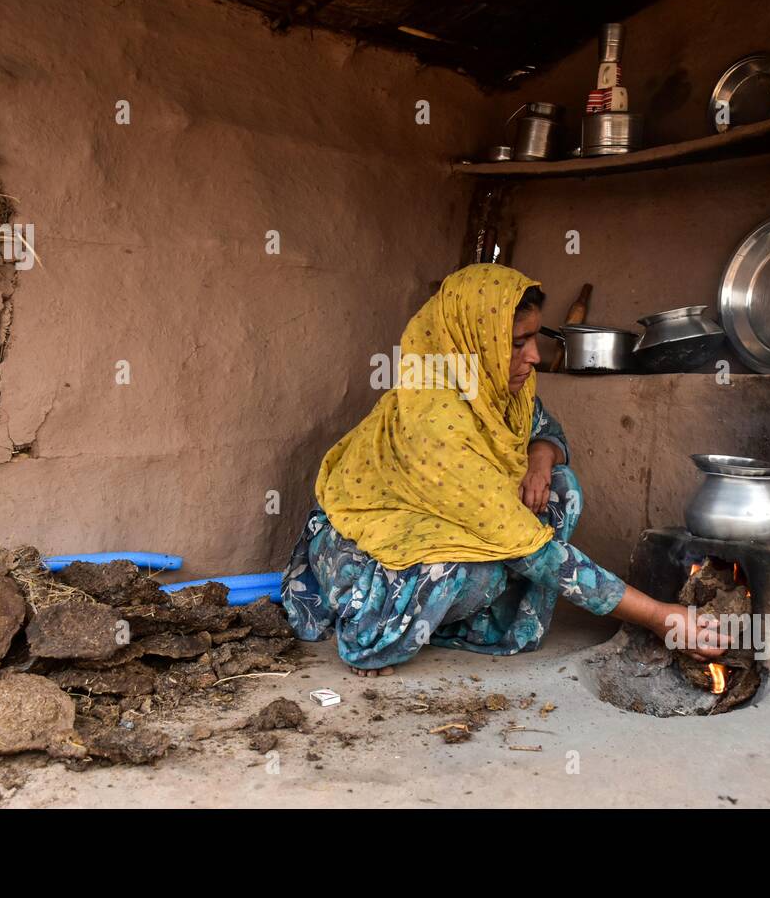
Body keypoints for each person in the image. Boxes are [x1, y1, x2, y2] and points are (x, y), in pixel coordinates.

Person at [281, 264, 727, 676]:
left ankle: (482, 626)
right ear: (473, 342)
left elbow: (546, 428)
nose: (534, 356)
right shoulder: (436, 420)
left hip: (433, 531)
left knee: (559, 489)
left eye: (534, 339)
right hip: (363, 558)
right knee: (461, 569)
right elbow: (533, 551)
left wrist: (538, 460)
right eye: (517, 343)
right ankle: (370, 635)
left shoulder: (497, 388)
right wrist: (658, 616)